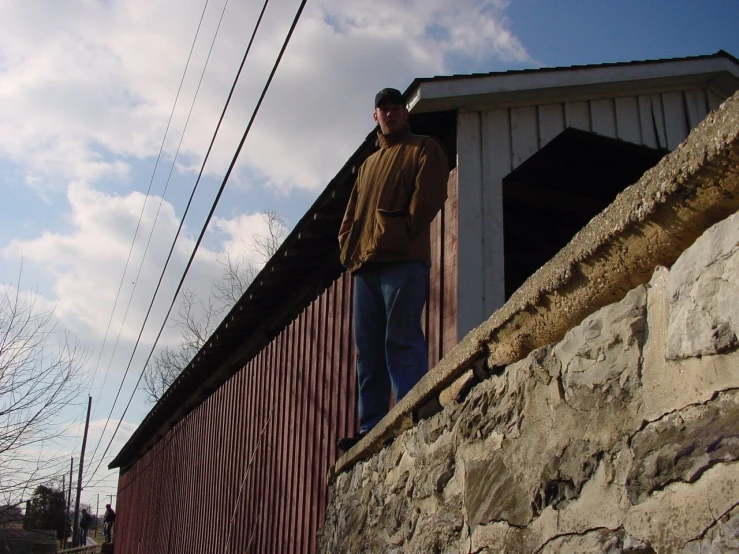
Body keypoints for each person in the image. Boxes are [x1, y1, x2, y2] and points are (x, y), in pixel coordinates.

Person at [337, 87, 449, 451]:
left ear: (406, 112)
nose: (390, 113)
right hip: (365, 266)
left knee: (400, 339)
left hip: (403, 260)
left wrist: (399, 233)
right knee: (367, 349)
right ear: (376, 117)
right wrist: (347, 246)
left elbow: (429, 195)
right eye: (383, 109)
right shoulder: (368, 165)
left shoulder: (423, 147)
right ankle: (371, 427)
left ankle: (412, 413)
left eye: (396, 107)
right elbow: (351, 213)